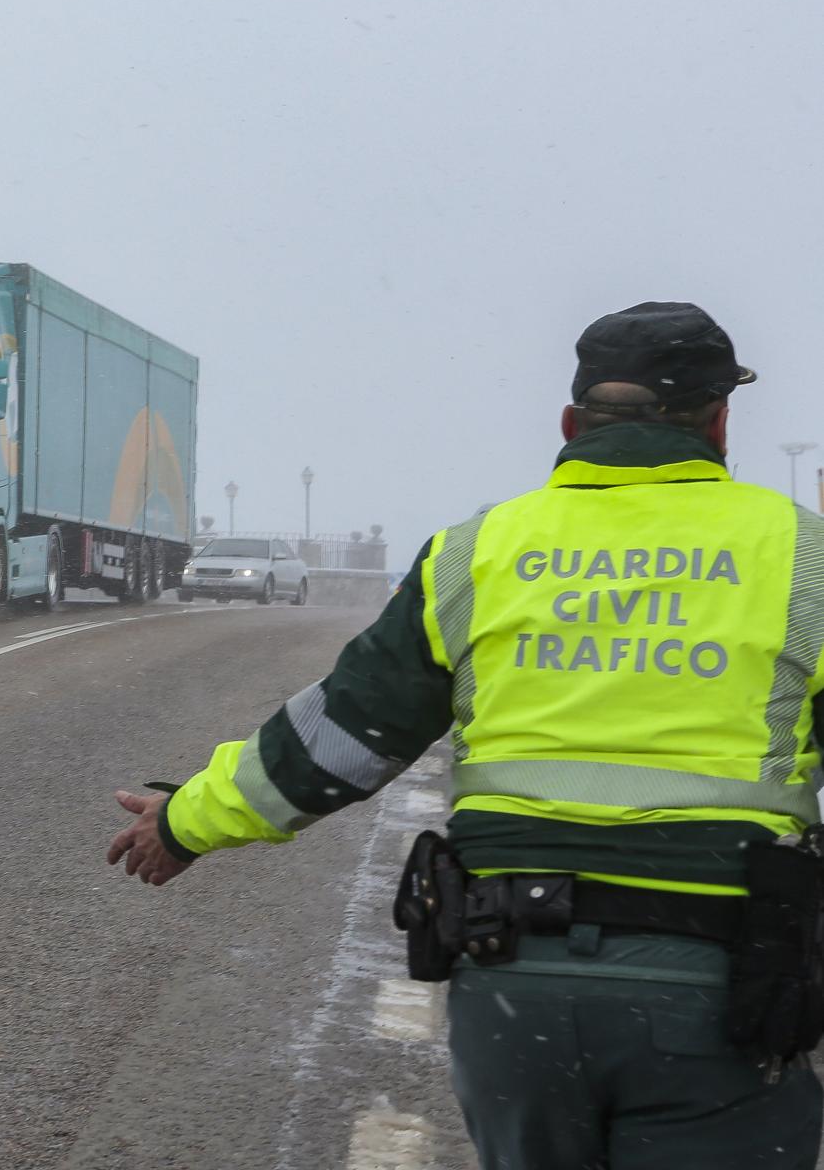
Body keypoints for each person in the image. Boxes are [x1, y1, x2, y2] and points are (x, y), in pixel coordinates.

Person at [107, 301, 824, 1169]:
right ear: (720, 421)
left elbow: (347, 730)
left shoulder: (480, 550)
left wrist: (186, 822)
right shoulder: (805, 559)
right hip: (722, 983)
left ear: (571, 422)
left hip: (515, 976)